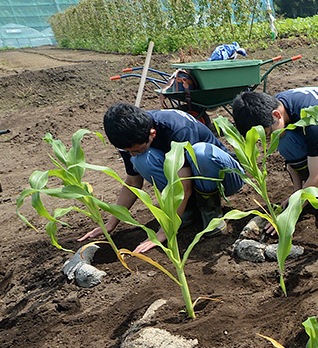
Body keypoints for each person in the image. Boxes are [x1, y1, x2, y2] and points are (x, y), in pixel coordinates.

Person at [79, 103, 245, 254]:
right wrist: (111, 223)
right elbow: (132, 182)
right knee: (141, 160)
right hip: (189, 182)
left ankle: (211, 212)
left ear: (152, 134)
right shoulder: (127, 137)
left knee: (200, 153)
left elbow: (184, 187)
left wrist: (164, 232)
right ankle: (189, 211)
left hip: (225, 178)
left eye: (137, 149)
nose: (131, 154)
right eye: (128, 151)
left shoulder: (177, 129)